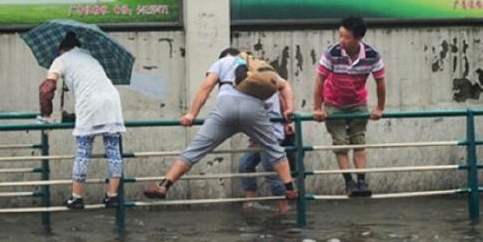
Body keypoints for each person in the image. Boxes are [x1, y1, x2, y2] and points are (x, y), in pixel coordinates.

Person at [143, 47, 299, 201]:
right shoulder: (258, 64)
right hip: (253, 110)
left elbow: (206, 87)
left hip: (226, 108)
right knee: (274, 149)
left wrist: (192, 114)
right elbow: (284, 85)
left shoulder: (222, 62)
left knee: (195, 149)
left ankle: (164, 185)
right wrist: (289, 109)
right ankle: (290, 189)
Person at [39, 31, 126, 209]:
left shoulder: (61, 60)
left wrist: (46, 115)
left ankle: (77, 197)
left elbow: (46, 90)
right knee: (113, 149)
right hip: (112, 101)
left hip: (89, 104)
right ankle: (112, 195)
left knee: (83, 149)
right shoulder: (89, 56)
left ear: (61, 48)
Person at [312, 15, 386, 197]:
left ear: (358, 38)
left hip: (357, 102)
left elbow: (380, 83)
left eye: (346, 37)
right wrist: (318, 108)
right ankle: (349, 182)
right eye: (340, 36)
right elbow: (319, 81)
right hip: (334, 102)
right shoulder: (332, 52)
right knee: (340, 142)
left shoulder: (372, 54)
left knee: (359, 140)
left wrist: (379, 108)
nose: (342, 40)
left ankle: (362, 180)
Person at [239, 93, 291, 213]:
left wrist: (286, 122)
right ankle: (251, 202)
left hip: (269, 135)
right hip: (260, 135)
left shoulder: (265, 87)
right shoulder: (257, 88)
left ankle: (283, 209)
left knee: (271, 173)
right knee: (245, 165)